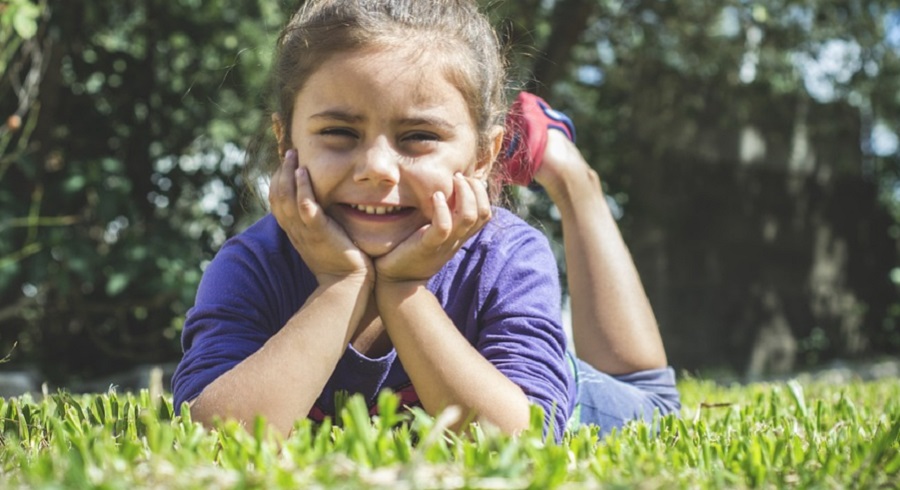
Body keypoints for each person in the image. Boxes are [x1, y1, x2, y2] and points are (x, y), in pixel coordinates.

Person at [171, 0, 680, 441]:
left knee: (656, 402)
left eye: (418, 136)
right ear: (287, 142)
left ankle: (565, 168)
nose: (375, 168)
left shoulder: (507, 255)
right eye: (339, 132)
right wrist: (341, 283)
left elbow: (515, 441)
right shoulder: (253, 263)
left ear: (483, 157)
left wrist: (403, 288)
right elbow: (208, 434)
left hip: (581, 395)